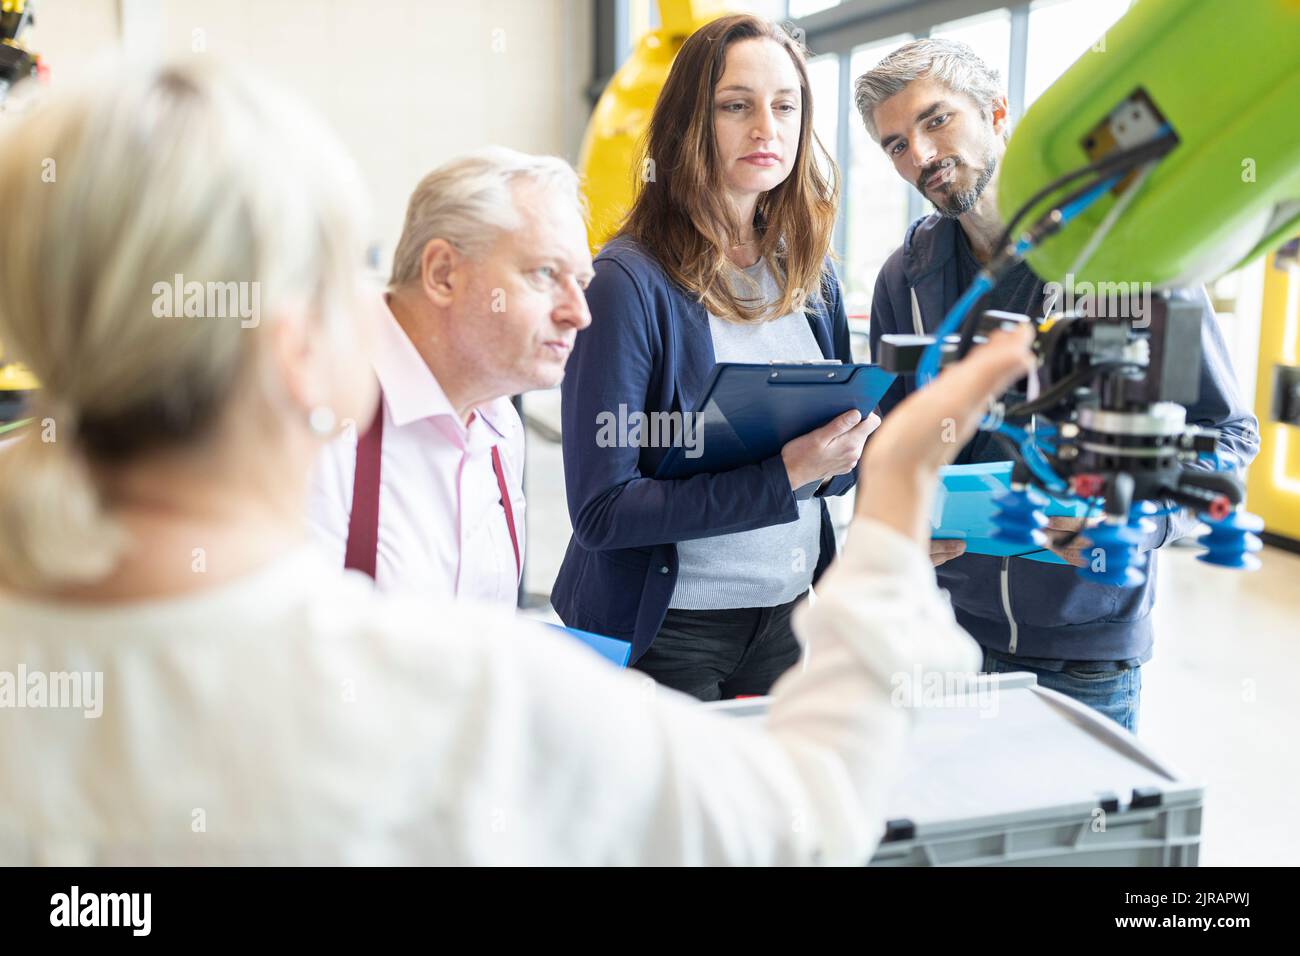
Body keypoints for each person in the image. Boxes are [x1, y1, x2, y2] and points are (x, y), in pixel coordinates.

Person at [0, 57, 1033, 866]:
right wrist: (894, 511)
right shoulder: (450, 693)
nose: (579, 313)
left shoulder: (492, 433)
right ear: (298, 347)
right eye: (347, 277)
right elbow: (802, 816)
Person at [854, 39, 1260, 732]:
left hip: (1086, 649)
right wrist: (901, 525)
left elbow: (1227, 437)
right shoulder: (905, 277)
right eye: (895, 144)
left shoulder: (1123, 251)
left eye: (936, 120)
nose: (919, 155)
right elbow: (894, 443)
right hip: (949, 637)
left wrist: (1141, 520)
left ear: (997, 113)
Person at [552, 14, 879, 701]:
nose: (766, 129)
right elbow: (603, 511)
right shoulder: (626, 283)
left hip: (788, 618)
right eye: (736, 106)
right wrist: (785, 474)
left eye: (784, 106)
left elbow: (829, 474)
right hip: (665, 631)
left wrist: (847, 452)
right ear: (687, 125)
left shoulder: (810, 273)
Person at [308, 149, 593, 602]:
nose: (579, 313)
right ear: (443, 274)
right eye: (545, 274)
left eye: (582, 282)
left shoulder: (500, 426)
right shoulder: (318, 418)